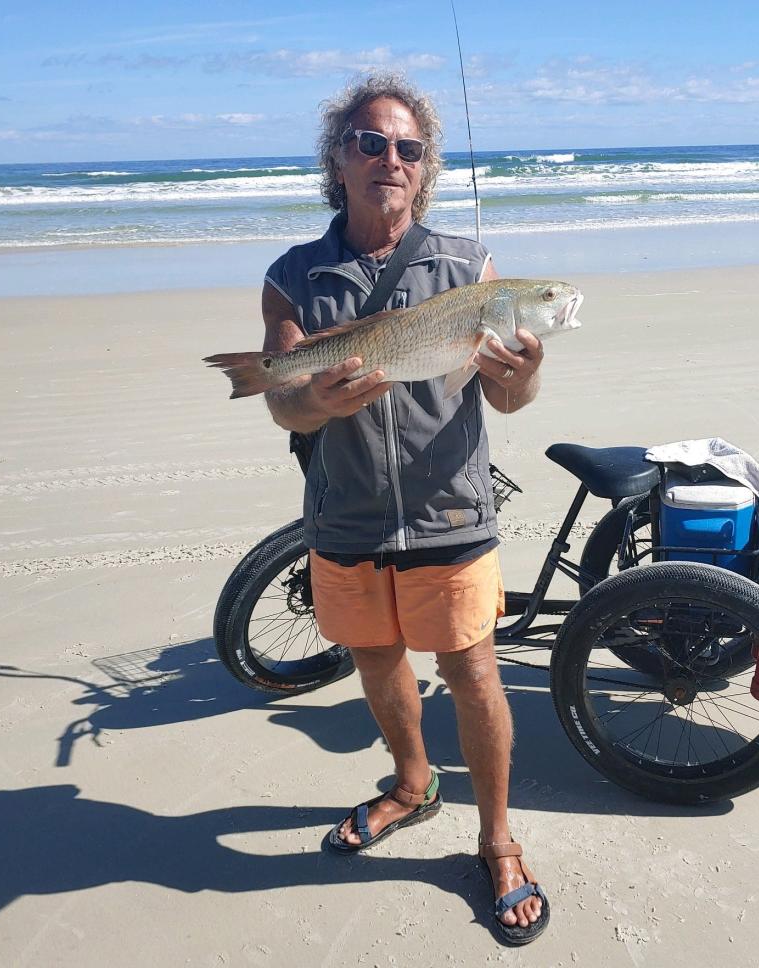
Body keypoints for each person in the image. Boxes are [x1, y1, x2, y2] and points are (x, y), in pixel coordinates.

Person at [261, 73, 549, 943]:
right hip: (344, 516)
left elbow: (505, 403)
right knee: (378, 664)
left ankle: (497, 839)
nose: (390, 159)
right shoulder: (291, 277)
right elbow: (281, 400)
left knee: (473, 675)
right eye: (370, 143)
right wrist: (317, 404)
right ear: (338, 162)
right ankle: (413, 783)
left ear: (424, 171)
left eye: (408, 148)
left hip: (448, 517)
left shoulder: (467, 267)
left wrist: (525, 376)